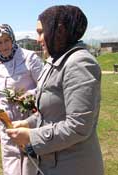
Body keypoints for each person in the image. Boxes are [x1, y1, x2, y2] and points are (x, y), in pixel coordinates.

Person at [6, 5, 104, 175]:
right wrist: (27, 123)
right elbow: (50, 112)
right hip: (51, 163)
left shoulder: (79, 63)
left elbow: (78, 126)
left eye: (41, 32)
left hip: (74, 167)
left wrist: (31, 136)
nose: (38, 39)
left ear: (59, 31)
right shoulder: (55, 60)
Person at [0, 24, 43, 175]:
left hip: (30, 122)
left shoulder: (29, 58)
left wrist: (28, 96)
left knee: (31, 164)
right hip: (7, 124)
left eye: (6, 40)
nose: (4, 45)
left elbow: (46, 87)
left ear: (13, 39)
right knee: (11, 164)